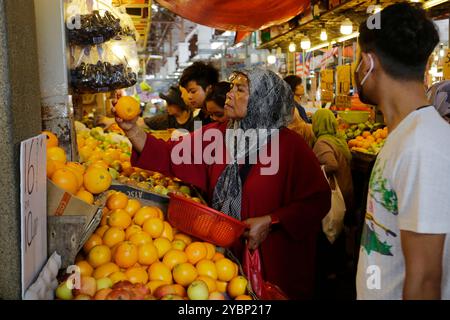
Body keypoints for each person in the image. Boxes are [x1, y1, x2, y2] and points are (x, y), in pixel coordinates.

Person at [113, 67, 331, 299]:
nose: (229, 94)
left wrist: (271, 220)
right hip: (223, 263)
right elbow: (169, 155)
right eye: (231, 87)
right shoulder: (216, 135)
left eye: (240, 89)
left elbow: (317, 200)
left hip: (275, 264)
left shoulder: (289, 146)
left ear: (262, 100)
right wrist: (132, 130)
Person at [354, 3, 450, 300]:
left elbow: (424, 282)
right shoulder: (406, 136)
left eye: (358, 60)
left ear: (369, 63)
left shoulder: (423, 146)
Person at [311, 108, 354, 296]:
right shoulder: (339, 139)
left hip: (334, 195)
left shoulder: (322, 143)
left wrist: (315, 169)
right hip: (346, 191)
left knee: (329, 232)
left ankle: (329, 273)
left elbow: (332, 165)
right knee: (339, 230)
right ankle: (340, 268)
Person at [179, 61, 220, 126]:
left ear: (209, 89)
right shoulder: (198, 119)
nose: (189, 96)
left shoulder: (222, 117)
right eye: (187, 92)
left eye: (193, 91)